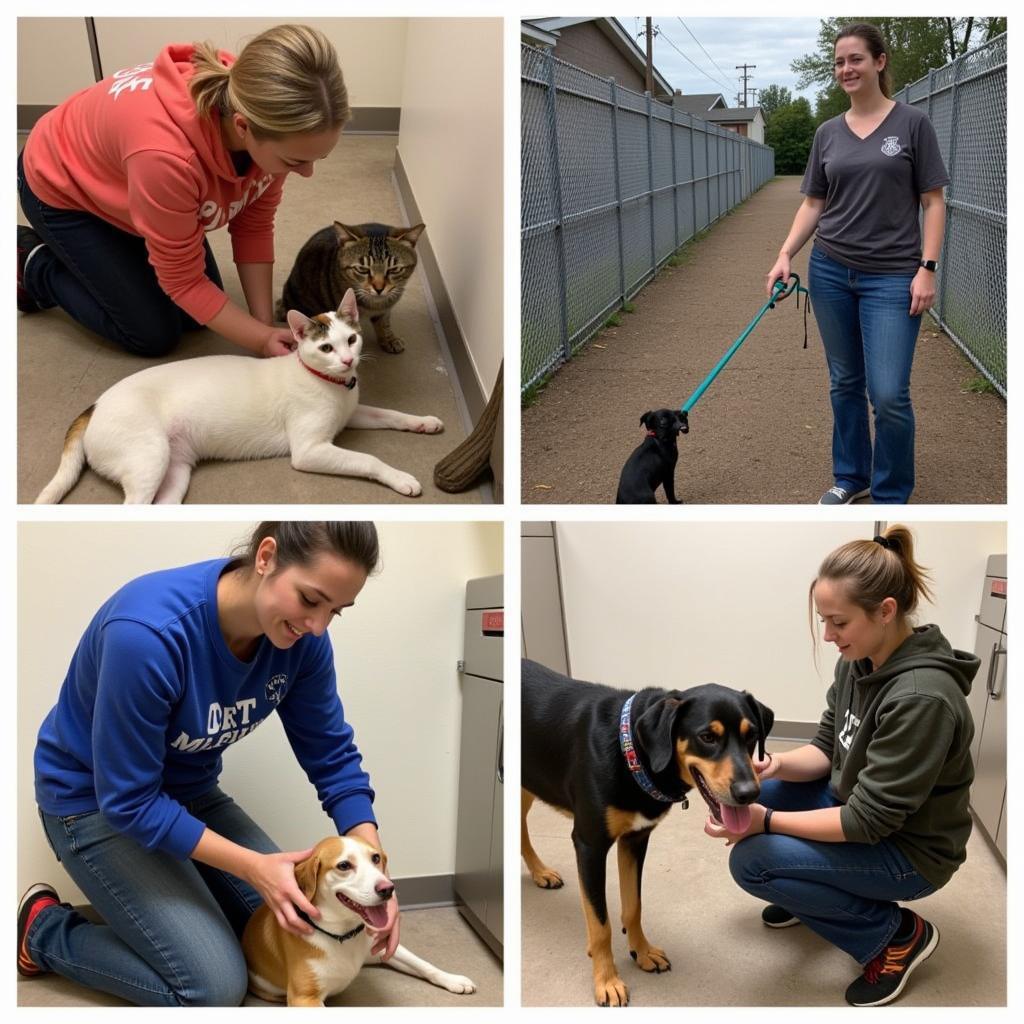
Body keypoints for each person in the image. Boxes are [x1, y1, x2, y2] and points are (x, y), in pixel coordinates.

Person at [17, 522, 400, 1006]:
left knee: (301, 917)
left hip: (189, 793)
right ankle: (44, 933)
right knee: (213, 988)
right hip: (93, 802)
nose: (318, 626)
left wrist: (378, 874)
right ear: (266, 557)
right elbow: (130, 801)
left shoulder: (305, 643)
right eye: (309, 599)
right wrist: (255, 868)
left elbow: (331, 753)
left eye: (335, 611)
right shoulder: (148, 635)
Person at [704, 525, 978, 1007]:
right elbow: (830, 746)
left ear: (886, 611)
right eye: (823, 620)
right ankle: (812, 892)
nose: (828, 635)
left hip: (911, 853)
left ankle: (895, 936)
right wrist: (775, 765)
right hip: (862, 811)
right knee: (754, 795)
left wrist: (764, 824)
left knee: (754, 860)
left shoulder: (921, 699)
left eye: (838, 622)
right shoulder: (861, 660)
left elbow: (867, 820)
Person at [17, 24, 347, 358]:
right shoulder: (166, 158)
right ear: (243, 128)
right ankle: (33, 266)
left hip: (131, 186)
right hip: (64, 190)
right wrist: (258, 339)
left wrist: (263, 327)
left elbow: (254, 224)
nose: (306, 173)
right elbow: (183, 281)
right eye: (295, 161)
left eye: (317, 157)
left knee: (196, 317)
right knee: (152, 334)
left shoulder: (266, 111)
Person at [765, 23, 950, 505]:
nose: (846, 69)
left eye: (855, 60)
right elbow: (813, 204)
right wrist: (786, 254)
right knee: (845, 381)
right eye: (839, 62)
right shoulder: (828, 133)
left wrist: (927, 268)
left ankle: (891, 490)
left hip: (893, 276)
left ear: (879, 62)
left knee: (888, 393)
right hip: (831, 270)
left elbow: (933, 202)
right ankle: (852, 475)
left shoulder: (912, 123)